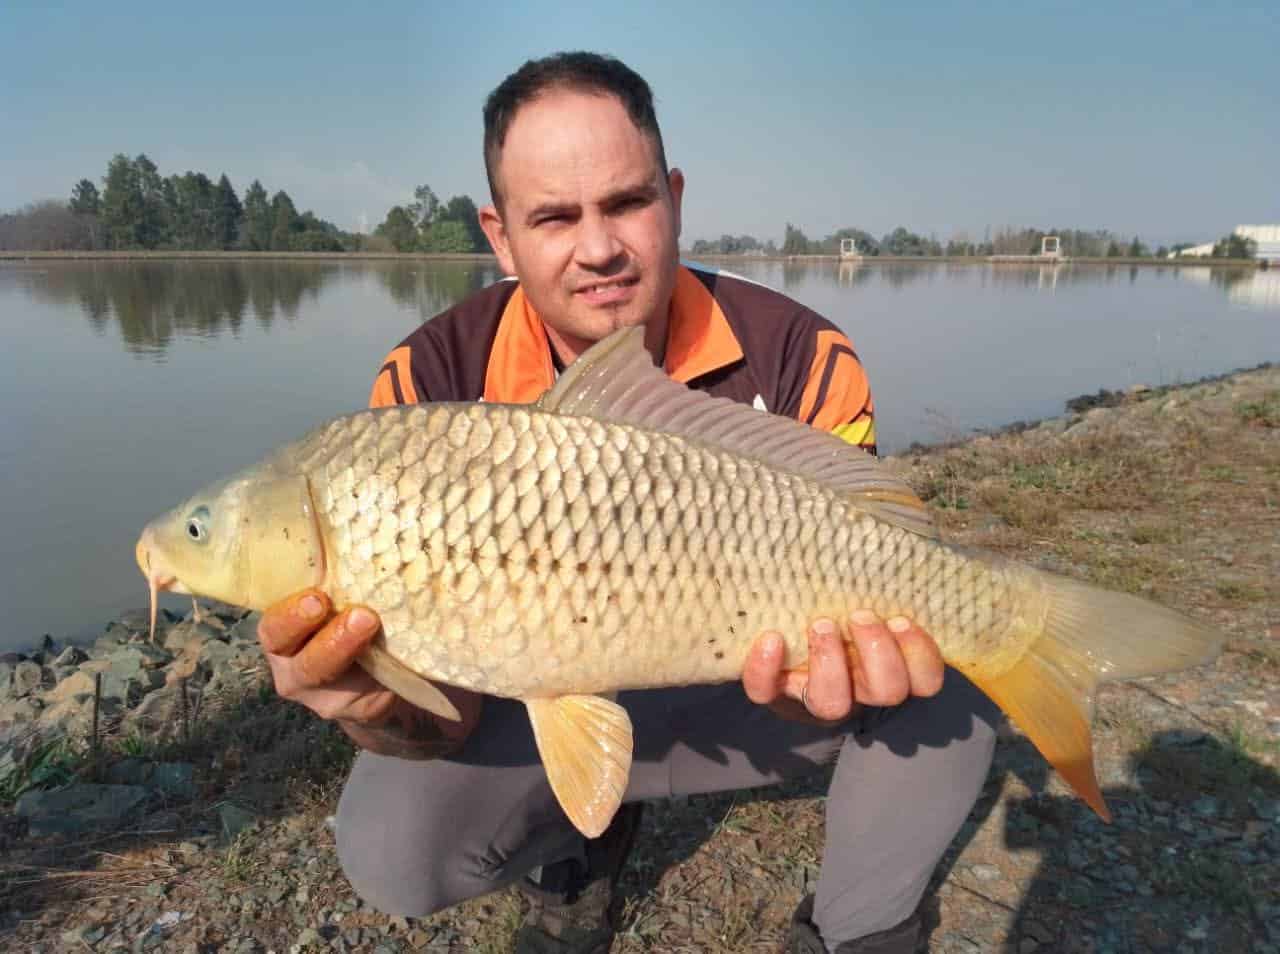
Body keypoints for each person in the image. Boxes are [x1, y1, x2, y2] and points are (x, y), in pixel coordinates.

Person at [256, 52, 1000, 954]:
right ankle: (577, 845)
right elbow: (443, 702)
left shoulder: (803, 353)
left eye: (627, 203)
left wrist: (823, 689)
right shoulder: (425, 383)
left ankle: (861, 927)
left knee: (951, 672)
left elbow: (874, 558)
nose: (599, 248)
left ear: (674, 197)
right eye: (555, 217)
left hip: (750, 689)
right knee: (391, 852)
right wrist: (379, 707)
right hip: (535, 694)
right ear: (500, 235)